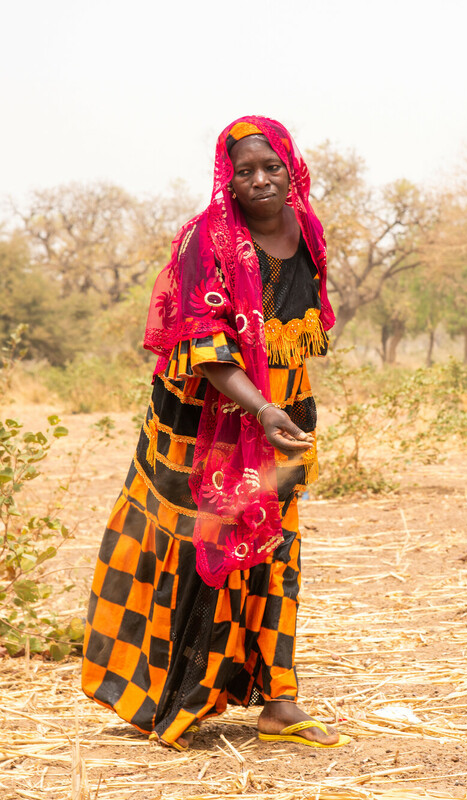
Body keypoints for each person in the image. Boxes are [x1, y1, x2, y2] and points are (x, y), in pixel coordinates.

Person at [81, 116, 348, 750]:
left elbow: (297, 326)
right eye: (244, 170)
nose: (259, 181)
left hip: (282, 408)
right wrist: (259, 410)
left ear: (291, 169)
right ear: (227, 177)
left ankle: (279, 703)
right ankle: (174, 698)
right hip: (207, 415)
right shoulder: (207, 239)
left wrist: (279, 410)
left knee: (277, 546)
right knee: (204, 547)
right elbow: (208, 345)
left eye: (271, 168)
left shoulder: (307, 229)